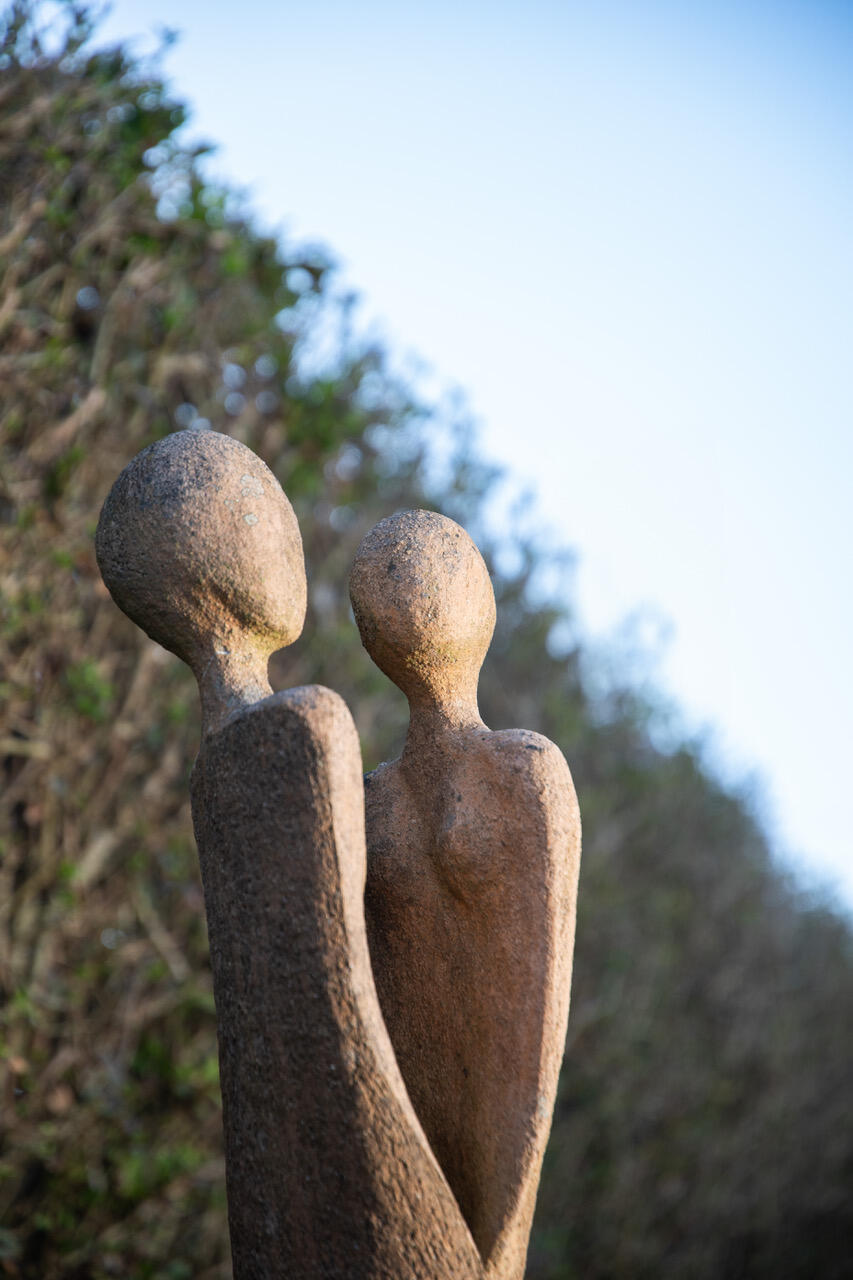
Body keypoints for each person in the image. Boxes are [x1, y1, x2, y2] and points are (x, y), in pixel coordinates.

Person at [351, 509, 581, 1279]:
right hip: (401, 1127)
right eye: (381, 585)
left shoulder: (521, 769)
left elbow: (534, 1001)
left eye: (430, 577)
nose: (405, 594)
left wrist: (500, 1240)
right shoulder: (371, 797)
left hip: (483, 1164)